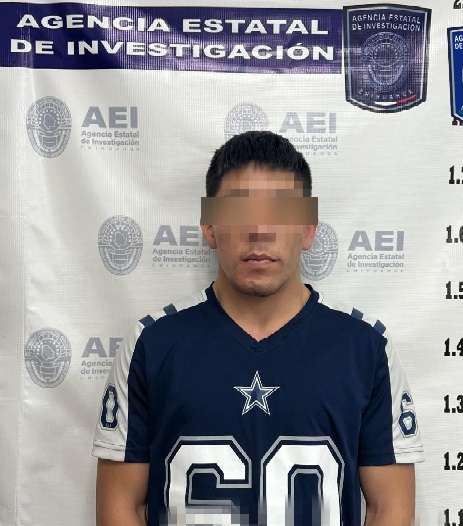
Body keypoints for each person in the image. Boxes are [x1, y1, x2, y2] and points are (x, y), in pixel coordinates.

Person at [92, 130, 425, 526]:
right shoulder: (152, 345)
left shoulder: (365, 349)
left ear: (308, 228)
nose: (259, 231)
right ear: (210, 227)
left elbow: (389, 509)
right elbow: (120, 507)